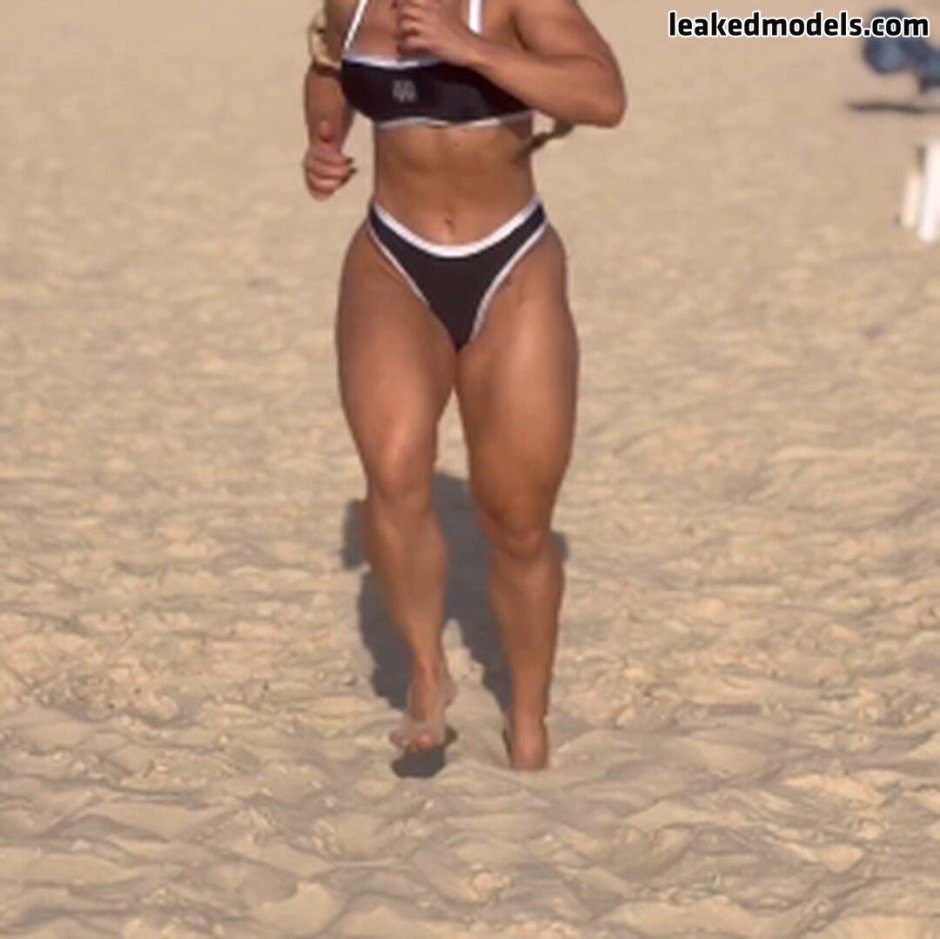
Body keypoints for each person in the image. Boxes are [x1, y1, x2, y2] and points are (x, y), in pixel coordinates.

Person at [302, 0, 625, 770]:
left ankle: (528, 712)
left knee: (517, 520)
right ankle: (426, 671)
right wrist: (322, 142)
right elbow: (327, 70)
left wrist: (471, 50)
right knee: (393, 470)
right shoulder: (354, 4)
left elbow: (603, 96)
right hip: (392, 257)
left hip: (511, 260)